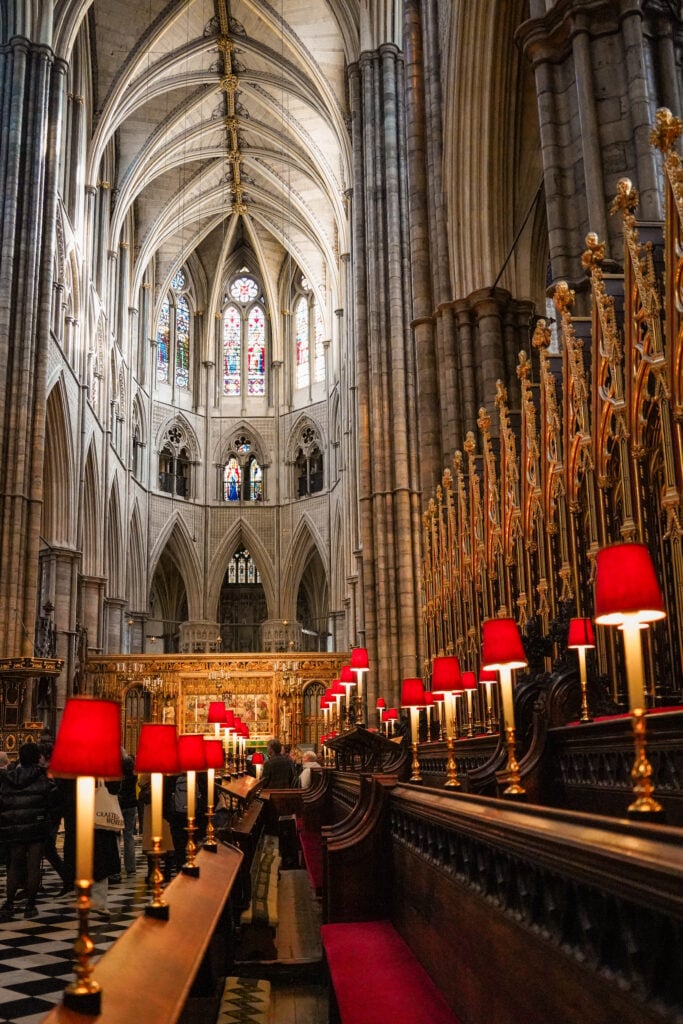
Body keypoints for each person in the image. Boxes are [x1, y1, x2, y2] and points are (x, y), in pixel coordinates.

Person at [0, 743, 59, 919]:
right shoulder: (42, 778)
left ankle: (9, 903)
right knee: (33, 867)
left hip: (15, 827)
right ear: (36, 758)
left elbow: (3, 801)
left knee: (14, 866)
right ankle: (30, 905)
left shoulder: (9, 777)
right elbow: (51, 802)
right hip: (36, 827)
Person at [118, 754, 138, 877]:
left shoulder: (120, 777)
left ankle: (116, 868)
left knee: (116, 837)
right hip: (131, 805)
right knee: (129, 837)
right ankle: (131, 867)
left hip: (119, 805)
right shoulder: (134, 776)